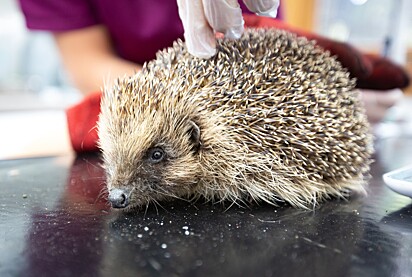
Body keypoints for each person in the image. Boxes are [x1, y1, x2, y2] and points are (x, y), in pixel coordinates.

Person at [18, 0, 410, 152]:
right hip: (146, 98)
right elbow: (86, 63)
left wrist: (323, 98)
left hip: (262, 65)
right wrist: (196, 97)